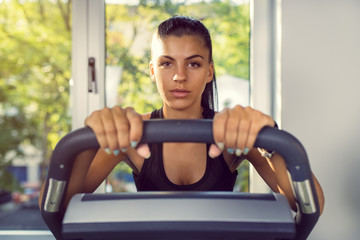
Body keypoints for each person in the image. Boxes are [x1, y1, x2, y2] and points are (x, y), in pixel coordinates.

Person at [40, 16, 324, 214]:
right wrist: (94, 138)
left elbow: (311, 205)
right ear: (152, 71)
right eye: (166, 63)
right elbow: (57, 206)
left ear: (209, 72)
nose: (179, 76)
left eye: (194, 64)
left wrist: (268, 139)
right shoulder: (131, 133)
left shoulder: (233, 134)